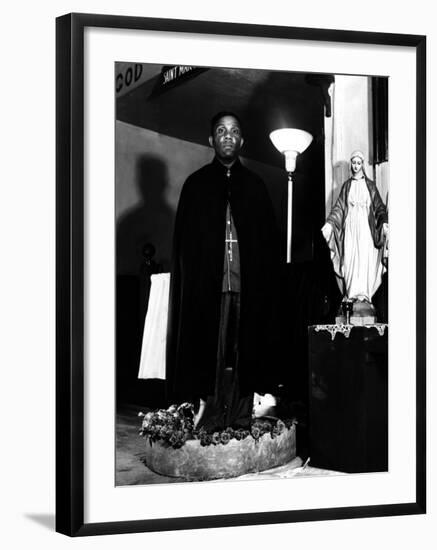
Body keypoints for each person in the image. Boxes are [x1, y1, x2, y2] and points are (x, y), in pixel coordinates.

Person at [166, 111, 281, 432]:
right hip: (208, 289)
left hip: (248, 287)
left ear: (242, 140)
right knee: (211, 354)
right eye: (221, 130)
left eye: (234, 131)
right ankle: (210, 415)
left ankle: (243, 415)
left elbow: (267, 247)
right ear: (211, 140)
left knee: (244, 352)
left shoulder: (256, 187)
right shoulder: (196, 186)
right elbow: (186, 248)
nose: (228, 135)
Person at [321, 150, 388, 311]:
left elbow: (379, 208)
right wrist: (330, 224)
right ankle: (351, 295)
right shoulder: (346, 186)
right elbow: (339, 209)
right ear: (351, 164)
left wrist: (384, 222)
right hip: (350, 228)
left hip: (366, 228)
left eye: (359, 163)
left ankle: (364, 295)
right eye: (353, 162)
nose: (356, 166)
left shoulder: (370, 186)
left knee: (363, 258)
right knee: (350, 257)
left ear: (362, 165)